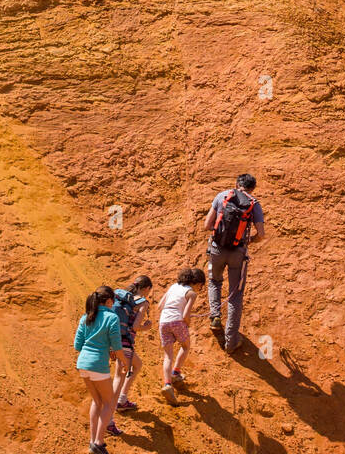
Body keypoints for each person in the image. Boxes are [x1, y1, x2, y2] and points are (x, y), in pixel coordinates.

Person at [203, 173, 265, 353]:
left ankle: (215, 317)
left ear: (237, 184)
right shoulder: (254, 204)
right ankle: (231, 342)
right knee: (235, 295)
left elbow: (207, 225)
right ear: (252, 188)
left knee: (214, 281)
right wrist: (249, 240)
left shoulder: (222, 196)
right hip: (238, 252)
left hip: (216, 248)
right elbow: (261, 234)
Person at [74, 286, 128, 454]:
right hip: (98, 364)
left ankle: (93, 441)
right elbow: (117, 345)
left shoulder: (86, 317)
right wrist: (124, 362)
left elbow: (78, 345)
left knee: (97, 401)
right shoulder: (111, 317)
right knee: (110, 402)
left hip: (83, 364)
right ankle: (98, 441)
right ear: (110, 301)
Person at [155, 267, 205, 405]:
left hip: (163, 321)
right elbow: (185, 316)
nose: (200, 288)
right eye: (201, 285)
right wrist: (187, 323)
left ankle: (167, 384)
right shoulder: (192, 294)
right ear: (197, 283)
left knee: (167, 356)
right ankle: (176, 373)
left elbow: (160, 306)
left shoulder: (173, 286)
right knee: (186, 346)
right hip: (177, 321)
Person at [110, 276, 153, 424]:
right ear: (146, 288)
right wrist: (146, 327)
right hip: (125, 342)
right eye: (149, 290)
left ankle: (122, 399)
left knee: (138, 365)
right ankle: (109, 417)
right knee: (118, 377)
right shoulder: (143, 302)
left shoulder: (124, 299)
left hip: (116, 340)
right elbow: (135, 327)